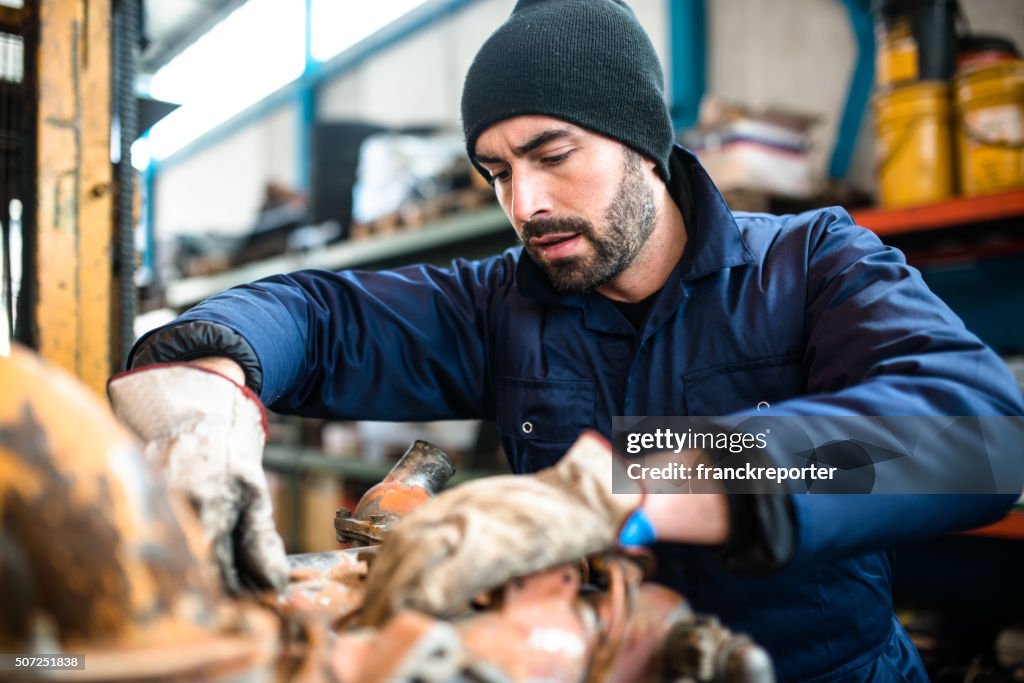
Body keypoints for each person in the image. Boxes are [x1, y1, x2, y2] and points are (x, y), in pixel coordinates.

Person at [108, 0, 1024, 680]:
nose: (525, 204)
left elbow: (978, 437)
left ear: (642, 144)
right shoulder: (503, 303)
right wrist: (208, 383)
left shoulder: (811, 264)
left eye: (553, 155)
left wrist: (633, 478)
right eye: (497, 171)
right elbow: (318, 314)